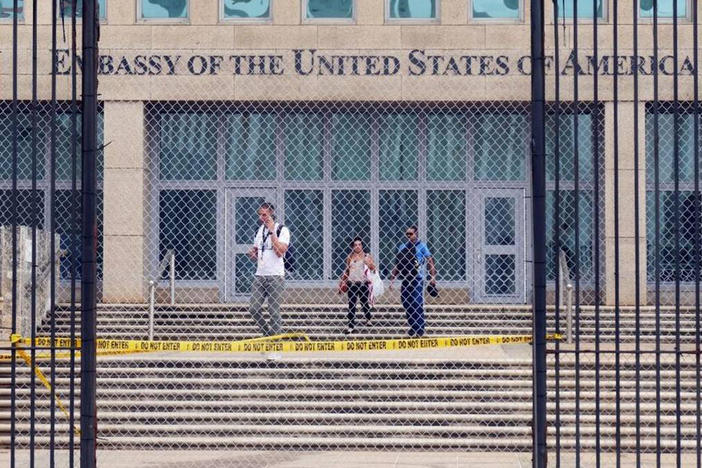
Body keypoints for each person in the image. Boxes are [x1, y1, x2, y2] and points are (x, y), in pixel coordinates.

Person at [246, 202, 290, 340]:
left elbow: (280, 252)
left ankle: (276, 344)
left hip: (275, 276)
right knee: (253, 309)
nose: (261, 217)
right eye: (259, 214)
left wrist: (272, 233)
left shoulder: (282, 230)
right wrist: (253, 254)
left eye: (264, 214)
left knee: (273, 311)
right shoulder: (260, 230)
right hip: (260, 275)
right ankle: (268, 334)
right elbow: (257, 250)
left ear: (271, 214)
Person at [389, 226, 436, 337]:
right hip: (406, 278)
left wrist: (433, 277)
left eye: (411, 234)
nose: (409, 236)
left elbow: (430, 261)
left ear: (416, 233)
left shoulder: (422, 246)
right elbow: (398, 264)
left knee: (416, 302)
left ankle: (419, 328)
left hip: (417, 278)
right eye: (407, 234)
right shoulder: (402, 247)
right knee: (406, 302)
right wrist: (392, 279)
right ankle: (413, 325)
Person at [337, 237, 376, 334]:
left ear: (362, 246)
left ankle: (368, 318)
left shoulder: (366, 256)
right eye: (355, 245)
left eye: (359, 244)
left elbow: (373, 268)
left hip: (363, 283)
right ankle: (351, 326)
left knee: (364, 303)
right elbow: (347, 270)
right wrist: (342, 282)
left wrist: (369, 263)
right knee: (351, 305)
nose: (358, 246)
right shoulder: (350, 257)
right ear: (353, 247)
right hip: (352, 284)